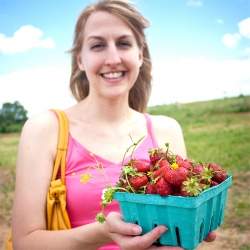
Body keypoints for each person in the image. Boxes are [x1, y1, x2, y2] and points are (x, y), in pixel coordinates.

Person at [11, 0, 216, 249]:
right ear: (80, 60)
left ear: (140, 55)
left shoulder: (166, 130)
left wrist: (190, 229)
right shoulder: (45, 129)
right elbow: (25, 242)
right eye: (98, 45)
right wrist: (103, 232)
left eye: (123, 43)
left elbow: (176, 222)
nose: (113, 58)